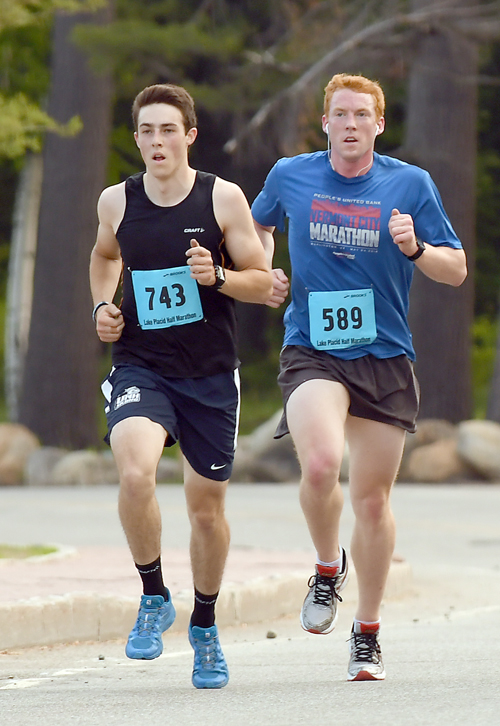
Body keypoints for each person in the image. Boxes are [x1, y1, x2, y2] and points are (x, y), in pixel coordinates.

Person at [251, 73, 467, 681]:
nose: (351, 124)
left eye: (362, 115)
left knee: (372, 502)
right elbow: (256, 226)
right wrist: (264, 269)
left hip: (384, 355)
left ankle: (367, 632)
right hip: (312, 348)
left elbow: (455, 269)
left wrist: (416, 248)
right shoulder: (289, 175)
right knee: (321, 465)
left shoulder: (410, 184)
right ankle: (327, 568)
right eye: (341, 114)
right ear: (325, 123)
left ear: (379, 124)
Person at [89, 83, 272, 689]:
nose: (157, 141)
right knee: (135, 472)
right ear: (137, 138)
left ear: (189, 136)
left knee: (206, 510)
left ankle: (206, 627)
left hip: (210, 373)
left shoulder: (222, 198)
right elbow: (105, 257)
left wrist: (217, 275)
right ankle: (153, 595)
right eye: (147, 131)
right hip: (141, 364)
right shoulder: (117, 201)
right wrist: (102, 306)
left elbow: (261, 280)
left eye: (168, 129)